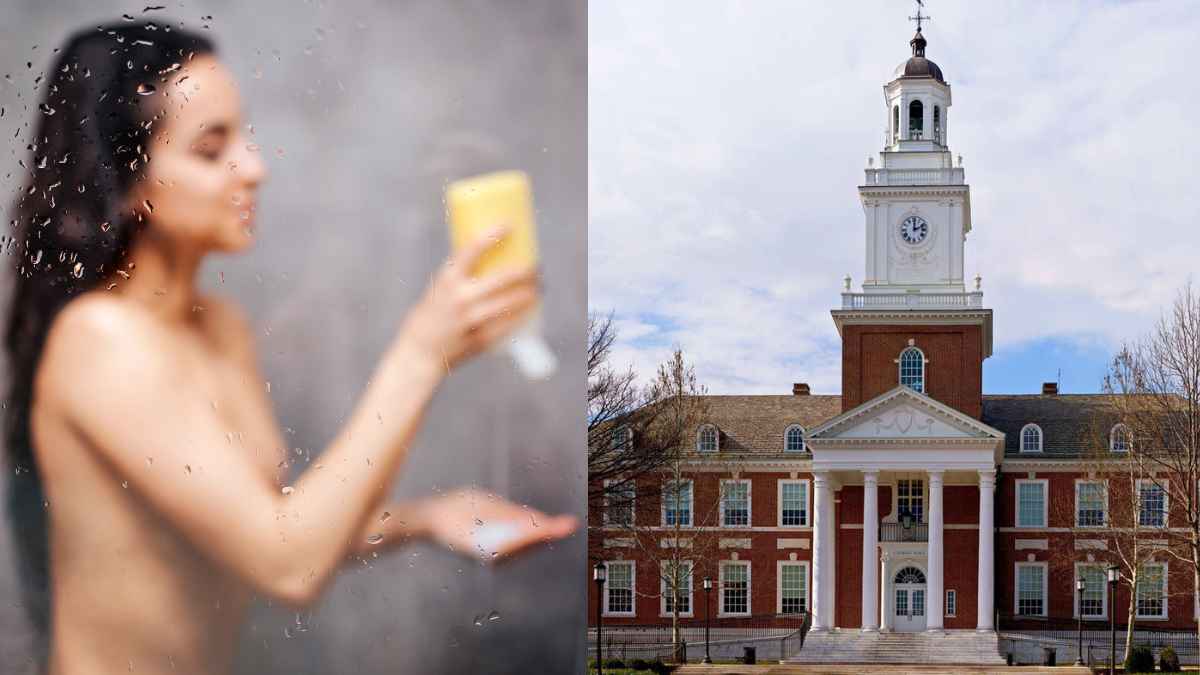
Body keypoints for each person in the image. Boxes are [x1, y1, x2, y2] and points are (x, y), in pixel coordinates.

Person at [2, 21, 576, 675]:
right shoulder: (101, 340)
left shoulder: (218, 324)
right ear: (128, 184)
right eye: (211, 149)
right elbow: (288, 563)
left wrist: (428, 516)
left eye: (242, 137)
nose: (255, 166)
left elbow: (270, 523)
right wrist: (421, 350)